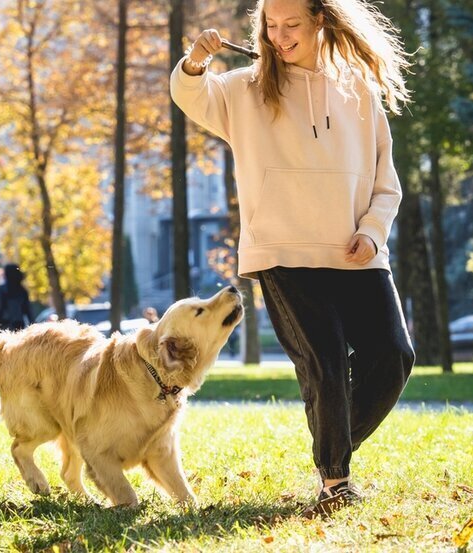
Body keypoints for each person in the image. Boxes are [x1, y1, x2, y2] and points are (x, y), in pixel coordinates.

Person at [170, 0, 415, 517]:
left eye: (291, 25)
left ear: (319, 21)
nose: (279, 37)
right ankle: (336, 480)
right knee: (324, 362)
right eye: (271, 26)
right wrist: (195, 61)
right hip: (282, 251)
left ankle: (331, 442)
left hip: (356, 252)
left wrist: (372, 233)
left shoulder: (359, 90)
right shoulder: (246, 88)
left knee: (393, 357)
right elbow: (192, 94)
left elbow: (386, 183)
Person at [0, 263, 35, 332]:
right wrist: (34, 327)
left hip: (4, 327)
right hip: (19, 327)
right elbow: (29, 312)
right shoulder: (22, 291)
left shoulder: (3, 290)